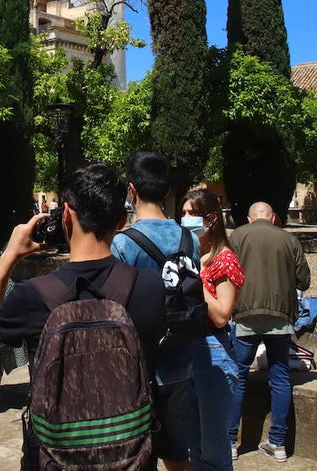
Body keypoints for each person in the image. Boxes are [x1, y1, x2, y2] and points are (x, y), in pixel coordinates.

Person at [0, 163, 168, 468]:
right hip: (131, 455)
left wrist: (9, 255)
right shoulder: (150, 287)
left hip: (54, 457)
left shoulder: (34, 295)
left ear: (65, 216)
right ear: (121, 220)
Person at [111, 151, 201, 471]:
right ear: (167, 191)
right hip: (182, 362)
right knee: (178, 457)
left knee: (135, 458)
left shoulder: (123, 244)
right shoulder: (190, 238)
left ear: (131, 190)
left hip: (138, 370)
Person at [227, 202, 311, 463]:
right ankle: (278, 442)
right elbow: (304, 280)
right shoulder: (289, 239)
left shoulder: (237, 236)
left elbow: (225, 271)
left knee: (238, 375)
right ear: (273, 218)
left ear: (250, 219)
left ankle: (230, 442)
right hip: (280, 315)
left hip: (245, 314)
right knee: (280, 376)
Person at [185, 189, 244, 471]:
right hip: (187, 350)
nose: (185, 219)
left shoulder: (225, 260)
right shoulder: (191, 254)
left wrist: (192, 279)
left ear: (211, 219)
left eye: (192, 214)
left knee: (213, 447)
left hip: (213, 352)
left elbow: (222, 314)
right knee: (193, 444)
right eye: (183, 213)